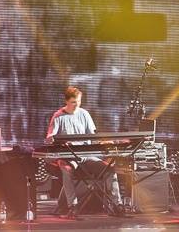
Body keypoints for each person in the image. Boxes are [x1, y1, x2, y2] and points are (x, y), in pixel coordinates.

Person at [46, 86, 124, 218]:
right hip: (69, 156)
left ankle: (118, 205)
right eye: (73, 102)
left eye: (78, 101)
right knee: (67, 169)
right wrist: (57, 141)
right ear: (66, 101)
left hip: (86, 156)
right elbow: (49, 137)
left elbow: (93, 136)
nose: (76, 105)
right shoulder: (58, 116)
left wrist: (104, 142)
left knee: (109, 169)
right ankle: (73, 206)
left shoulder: (84, 114)